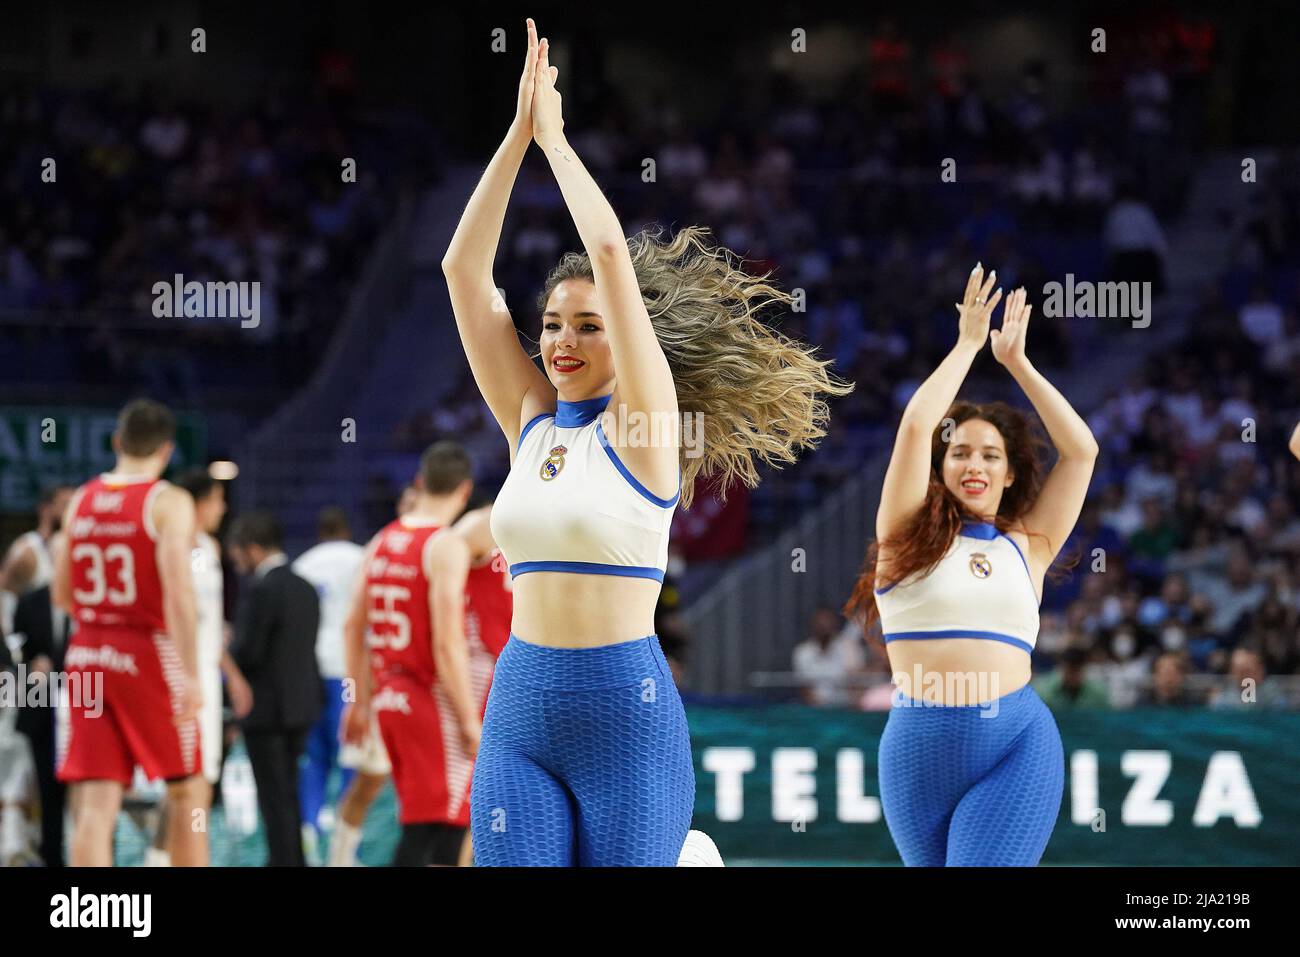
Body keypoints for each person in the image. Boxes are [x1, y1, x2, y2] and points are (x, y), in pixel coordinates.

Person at [445, 20, 848, 865]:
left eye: (587, 327)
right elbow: (462, 272)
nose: (560, 342)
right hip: (518, 704)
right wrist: (516, 139)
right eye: (551, 324)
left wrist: (556, 141)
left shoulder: (646, 427)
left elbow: (605, 253)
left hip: (623, 712)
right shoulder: (529, 419)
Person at [845, 267, 1098, 866]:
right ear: (942, 466)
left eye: (991, 454)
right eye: (959, 451)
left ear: (1010, 473)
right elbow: (914, 428)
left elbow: (1082, 451)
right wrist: (966, 345)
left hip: (1016, 740)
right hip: (917, 749)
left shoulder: (1029, 544)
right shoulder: (904, 536)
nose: (974, 463)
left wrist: (1017, 364)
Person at [52, 398, 208, 866]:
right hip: (142, 649)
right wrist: (192, 676)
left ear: (117, 441)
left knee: (96, 802)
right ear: (166, 450)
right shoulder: (168, 501)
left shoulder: (81, 500)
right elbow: (178, 594)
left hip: (87, 651)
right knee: (187, 790)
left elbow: (61, 594)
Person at [340, 442, 484, 866]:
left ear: (420, 483)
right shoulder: (444, 546)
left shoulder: (381, 540)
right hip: (428, 701)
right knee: (439, 828)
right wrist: (467, 717)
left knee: (428, 823)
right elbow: (446, 643)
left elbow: (352, 627)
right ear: (464, 491)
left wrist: (358, 699)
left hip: (388, 698)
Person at [227, 511, 322, 866]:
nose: (235, 562)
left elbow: (250, 653)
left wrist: (227, 647)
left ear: (252, 548)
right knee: (290, 795)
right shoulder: (306, 587)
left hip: (267, 713)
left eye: (237, 553)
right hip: (303, 707)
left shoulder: (264, 590)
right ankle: (291, 860)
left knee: (273, 798)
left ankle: (283, 862)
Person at [291, 506, 364, 858]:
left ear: (320, 533)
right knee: (350, 755)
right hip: (347, 670)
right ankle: (345, 842)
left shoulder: (303, 564)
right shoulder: (361, 559)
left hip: (309, 668)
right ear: (346, 531)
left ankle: (308, 827)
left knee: (314, 756)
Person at [1, 485, 74, 635]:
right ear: (45, 509)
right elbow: (4, 593)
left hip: (61, 643)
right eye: (65, 505)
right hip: (29, 646)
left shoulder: (71, 549)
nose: (71, 513)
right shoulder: (28, 551)